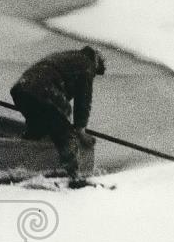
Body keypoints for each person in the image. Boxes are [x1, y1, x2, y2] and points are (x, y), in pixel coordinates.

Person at [9, 47, 106, 181]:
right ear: (96, 62)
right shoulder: (86, 64)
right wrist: (80, 129)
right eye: (95, 73)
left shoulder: (70, 56)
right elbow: (83, 99)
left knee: (38, 129)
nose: (93, 76)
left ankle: (19, 164)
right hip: (44, 90)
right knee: (65, 134)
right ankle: (74, 177)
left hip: (21, 90)